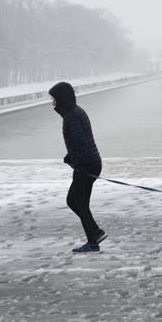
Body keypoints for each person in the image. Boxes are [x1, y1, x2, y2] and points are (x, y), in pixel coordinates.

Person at [49, 82, 106, 253]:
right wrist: (71, 157)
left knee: (78, 202)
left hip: (86, 164)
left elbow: (81, 143)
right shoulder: (74, 112)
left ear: (62, 99)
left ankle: (93, 240)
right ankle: (95, 232)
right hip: (89, 162)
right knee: (75, 201)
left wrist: (77, 161)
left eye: (54, 99)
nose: (52, 103)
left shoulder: (71, 116)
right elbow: (80, 142)